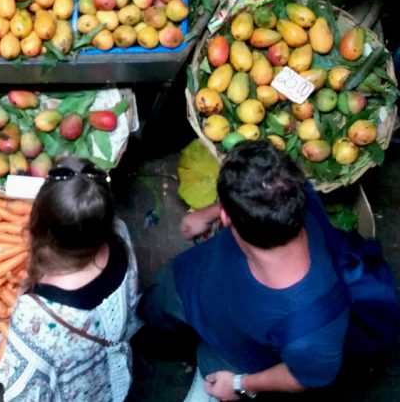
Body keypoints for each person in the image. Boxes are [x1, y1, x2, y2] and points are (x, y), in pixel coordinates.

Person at [140, 140, 348, 401]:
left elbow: (304, 376)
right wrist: (209, 214)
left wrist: (240, 383)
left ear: (228, 218)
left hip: (232, 356)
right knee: (153, 310)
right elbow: (256, 192)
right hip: (187, 283)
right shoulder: (290, 195)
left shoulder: (313, 331)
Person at [0, 156, 141, 402]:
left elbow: (25, 396)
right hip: (115, 374)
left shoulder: (34, 317)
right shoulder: (121, 237)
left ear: (36, 228)